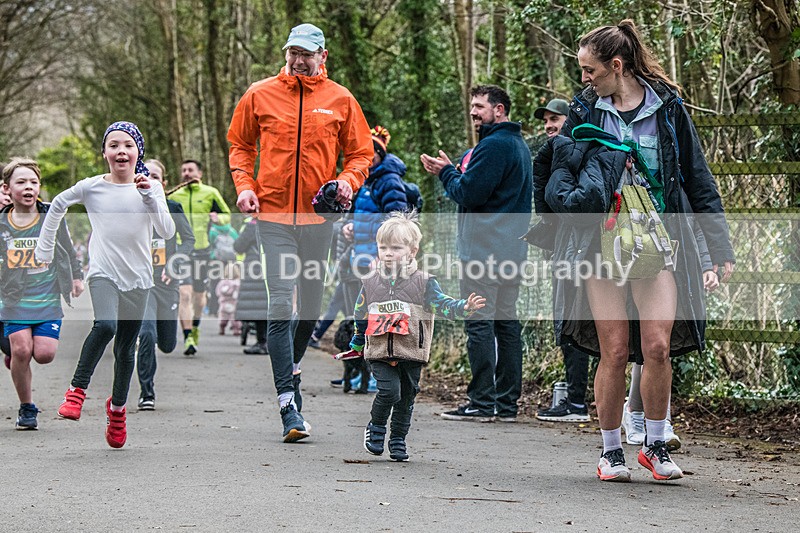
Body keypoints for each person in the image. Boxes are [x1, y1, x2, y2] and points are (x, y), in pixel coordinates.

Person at [540, 20, 734, 481]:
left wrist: (719, 244)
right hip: (600, 242)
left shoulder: (667, 108)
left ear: (617, 65)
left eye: (590, 69)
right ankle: (611, 452)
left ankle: (655, 444)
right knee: (613, 347)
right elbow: (560, 173)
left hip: (657, 241)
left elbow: (697, 176)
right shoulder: (585, 110)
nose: (584, 78)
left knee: (658, 346)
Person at [227, 22, 373, 442]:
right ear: (286, 53)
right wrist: (245, 187)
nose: (299, 60)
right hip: (271, 218)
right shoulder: (260, 93)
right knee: (280, 307)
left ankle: (291, 368)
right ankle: (288, 404)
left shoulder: (341, 99)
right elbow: (240, 145)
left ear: (322, 56)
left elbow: (361, 152)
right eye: (293, 52)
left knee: (309, 309)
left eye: (307, 53)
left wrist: (348, 181)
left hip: (319, 220)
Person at [35, 121, 175, 448]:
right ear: (104, 153)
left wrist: (149, 197)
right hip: (103, 271)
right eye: (113, 145)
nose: (120, 151)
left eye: (127, 145)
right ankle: (76, 391)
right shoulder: (91, 187)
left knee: (127, 349)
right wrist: (44, 249)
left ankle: (118, 410)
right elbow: (56, 205)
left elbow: (166, 231)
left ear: (137, 151)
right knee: (106, 324)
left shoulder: (150, 187)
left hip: (139, 278)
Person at [421, 85, 533, 423]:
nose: (473, 112)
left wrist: (446, 172)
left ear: (499, 110)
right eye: (471, 105)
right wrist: (453, 169)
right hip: (511, 251)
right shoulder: (518, 145)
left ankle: (483, 402)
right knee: (506, 324)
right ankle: (507, 404)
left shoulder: (495, 145)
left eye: (479, 106)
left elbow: (469, 193)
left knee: (480, 323)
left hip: (485, 252)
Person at [341, 213, 485, 461]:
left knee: (406, 398)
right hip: (379, 351)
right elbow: (360, 314)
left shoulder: (424, 282)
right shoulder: (369, 282)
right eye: (383, 247)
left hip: (411, 351)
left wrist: (464, 307)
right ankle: (375, 428)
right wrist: (357, 342)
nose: (388, 253)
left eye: (395, 248)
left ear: (412, 250)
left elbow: (442, 304)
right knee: (389, 391)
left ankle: (398, 440)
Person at [0, 158, 84, 430]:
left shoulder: (52, 214)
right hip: (14, 298)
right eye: (21, 182)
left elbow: (67, 248)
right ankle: (27, 407)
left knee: (44, 354)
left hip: (46, 297)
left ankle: (16, 359)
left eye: (33, 182)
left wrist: (76, 276)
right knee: (22, 350)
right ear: (7, 188)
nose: (28, 187)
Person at [531, 97, 592, 423]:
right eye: (546, 121)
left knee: (574, 319)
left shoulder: (578, 153)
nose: (549, 125)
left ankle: (577, 402)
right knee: (568, 319)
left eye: (556, 119)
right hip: (563, 246)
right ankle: (574, 396)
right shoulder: (552, 156)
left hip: (581, 248)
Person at [135, 158, 195, 411]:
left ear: (164, 182)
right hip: (140, 283)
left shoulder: (173, 207)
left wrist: (174, 264)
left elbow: (189, 240)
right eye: (145, 175)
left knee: (167, 344)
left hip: (165, 283)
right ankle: (146, 392)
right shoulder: (129, 208)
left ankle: (159, 341)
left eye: (156, 176)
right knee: (147, 332)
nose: (151, 179)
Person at [169, 159, 232, 356]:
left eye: (190, 170)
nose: (187, 173)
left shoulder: (210, 193)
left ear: (200, 173)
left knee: (199, 296)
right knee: (184, 293)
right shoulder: (174, 195)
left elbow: (227, 215)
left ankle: (195, 327)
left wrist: (218, 218)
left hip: (202, 250)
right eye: (184, 170)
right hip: (181, 249)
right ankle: (188, 336)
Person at [233, 216, 269, 355]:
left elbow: (238, 246)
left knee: (258, 305)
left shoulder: (253, 224)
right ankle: (270, 342)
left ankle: (262, 342)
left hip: (255, 268)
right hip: (275, 265)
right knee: (268, 304)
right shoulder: (279, 221)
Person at [216, 263, 242, 335]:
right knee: (234, 318)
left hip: (224, 302)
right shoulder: (238, 282)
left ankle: (222, 328)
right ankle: (236, 329)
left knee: (223, 317)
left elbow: (218, 291)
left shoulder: (223, 282)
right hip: (234, 302)